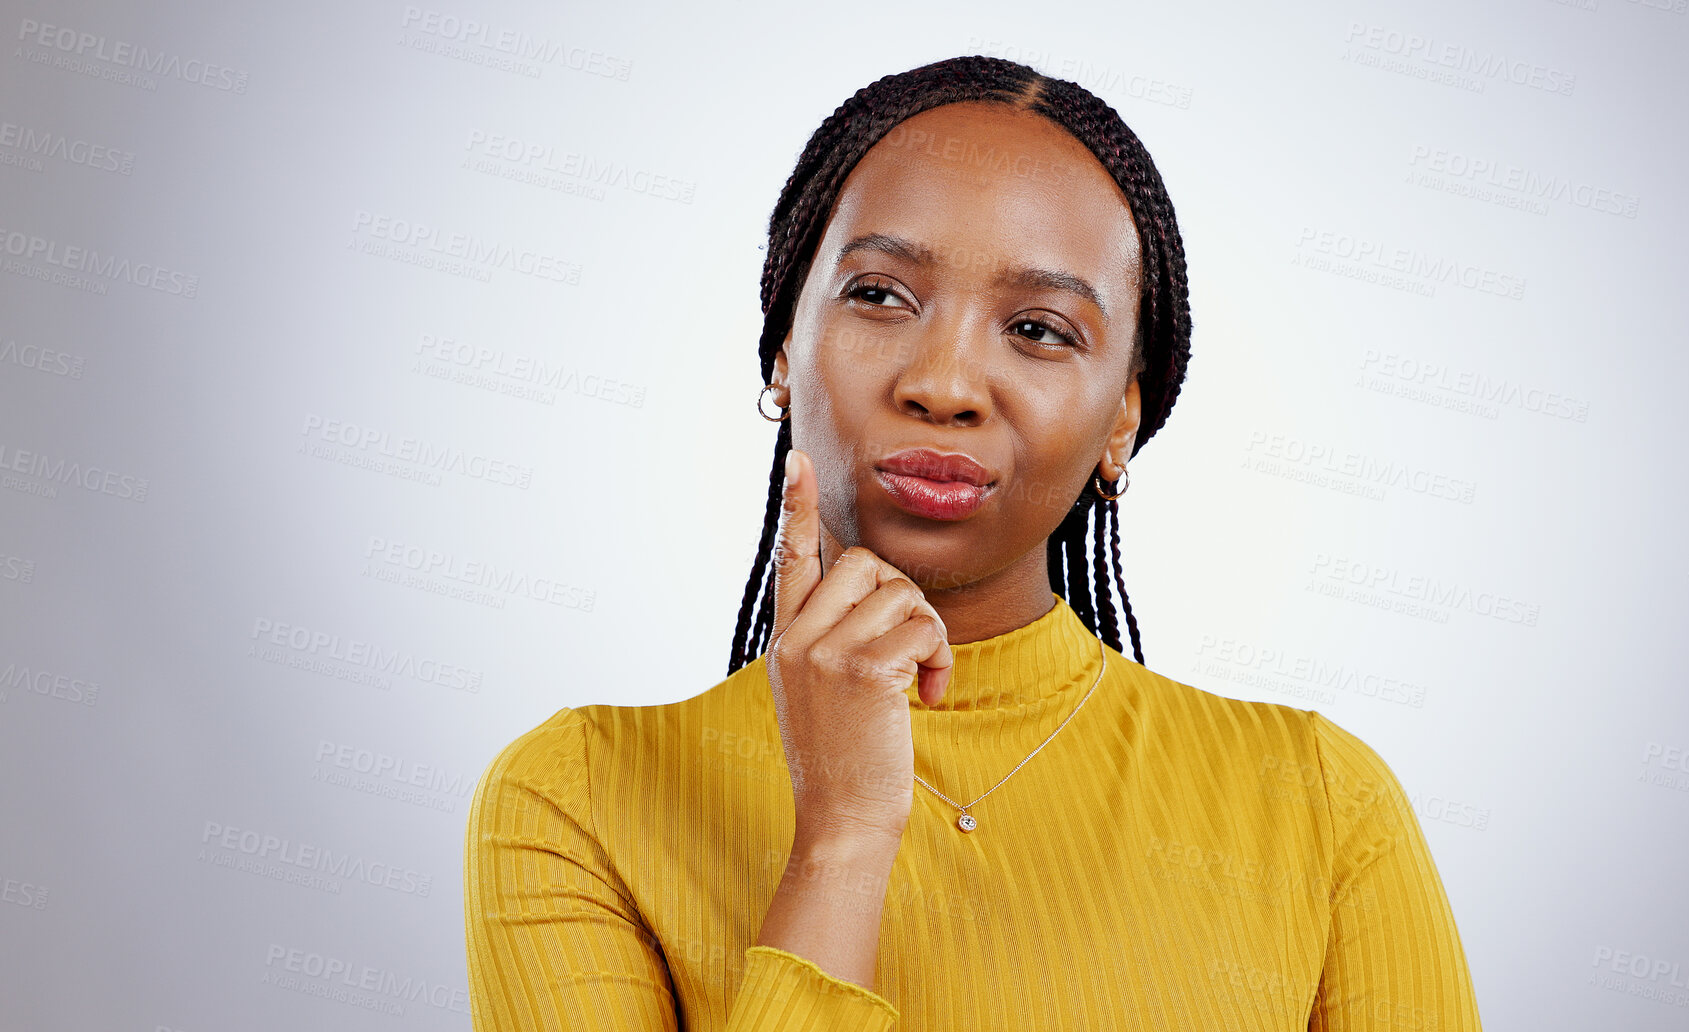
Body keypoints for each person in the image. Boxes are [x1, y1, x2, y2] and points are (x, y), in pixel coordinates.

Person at [464, 54, 1483, 1030]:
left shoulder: (1318, 802)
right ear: (784, 347)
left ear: (1121, 419)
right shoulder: (579, 795)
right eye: (878, 295)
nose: (943, 385)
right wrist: (842, 835)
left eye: (1038, 329)